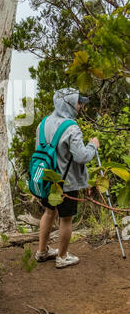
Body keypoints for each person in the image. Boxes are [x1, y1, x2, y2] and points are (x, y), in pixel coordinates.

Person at [34, 88, 99, 268]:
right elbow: (81, 156)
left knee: (49, 212)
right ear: (70, 104)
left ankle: (42, 251)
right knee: (66, 218)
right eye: (78, 103)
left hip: (48, 179)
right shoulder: (71, 127)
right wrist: (93, 146)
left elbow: (39, 150)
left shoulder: (43, 123)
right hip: (67, 182)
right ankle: (62, 257)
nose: (80, 106)